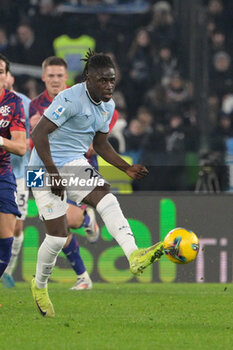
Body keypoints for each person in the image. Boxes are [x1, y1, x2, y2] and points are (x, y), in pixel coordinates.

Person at [29, 49, 164, 317]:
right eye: (103, 80)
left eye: (112, 80)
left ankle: (134, 255)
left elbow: (101, 144)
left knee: (106, 195)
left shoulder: (108, 105)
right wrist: (53, 173)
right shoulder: (69, 98)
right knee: (56, 238)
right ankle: (39, 285)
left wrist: (126, 168)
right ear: (88, 78)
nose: (109, 85)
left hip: (73, 161)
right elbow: (38, 133)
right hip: (40, 165)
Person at [29, 56, 98, 290]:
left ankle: (86, 217)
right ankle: (83, 278)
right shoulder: (34, 106)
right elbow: (32, 146)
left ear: (66, 77)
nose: (55, 80)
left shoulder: (78, 100)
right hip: (45, 169)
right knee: (56, 226)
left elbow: (92, 143)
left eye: (60, 75)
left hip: (73, 166)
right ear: (43, 77)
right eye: (51, 76)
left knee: (69, 219)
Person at [1, 71, 31, 288]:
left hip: (25, 172)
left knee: (18, 228)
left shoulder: (24, 103)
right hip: (10, 171)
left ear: (9, 77)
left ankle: (8, 270)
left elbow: (32, 141)